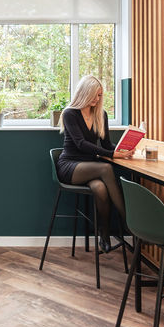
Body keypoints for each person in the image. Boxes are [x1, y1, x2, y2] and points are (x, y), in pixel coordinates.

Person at [56, 75, 133, 254]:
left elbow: (106, 145)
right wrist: (112, 155)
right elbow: (81, 144)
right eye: (93, 95)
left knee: (100, 188)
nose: (96, 99)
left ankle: (104, 237)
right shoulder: (70, 113)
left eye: (99, 96)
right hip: (70, 166)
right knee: (106, 168)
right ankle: (129, 222)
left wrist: (123, 150)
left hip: (90, 167)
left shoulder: (101, 114)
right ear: (83, 93)